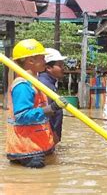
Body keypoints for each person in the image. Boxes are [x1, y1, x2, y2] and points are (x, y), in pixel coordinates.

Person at [6, 39, 67, 168]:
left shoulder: (35, 82)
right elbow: (22, 116)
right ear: (31, 61)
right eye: (42, 58)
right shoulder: (22, 85)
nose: (45, 61)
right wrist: (51, 108)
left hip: (36, 148)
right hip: (28, 152)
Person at [38, 48, 67, 145]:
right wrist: (53, 133)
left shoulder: (49, 83)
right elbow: (46, 111)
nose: (63, 68)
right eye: (60, 65)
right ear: (48, 68)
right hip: (47, 137)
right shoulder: (45, 85)